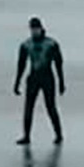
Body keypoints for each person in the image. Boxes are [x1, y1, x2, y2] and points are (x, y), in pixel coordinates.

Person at [13, 16, 65, 146]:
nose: (34, 31)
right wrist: (17, 82)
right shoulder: (26, 45)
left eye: (36, 29)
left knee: (50, 107)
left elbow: (58, 63)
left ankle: (58, 135)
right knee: (28, 108)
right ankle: (26, 136)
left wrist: (61, 82)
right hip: (33, 78)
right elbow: (21, 65)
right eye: (32, 29)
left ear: (41, 29)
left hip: (47, 78)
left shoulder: (51, 44)